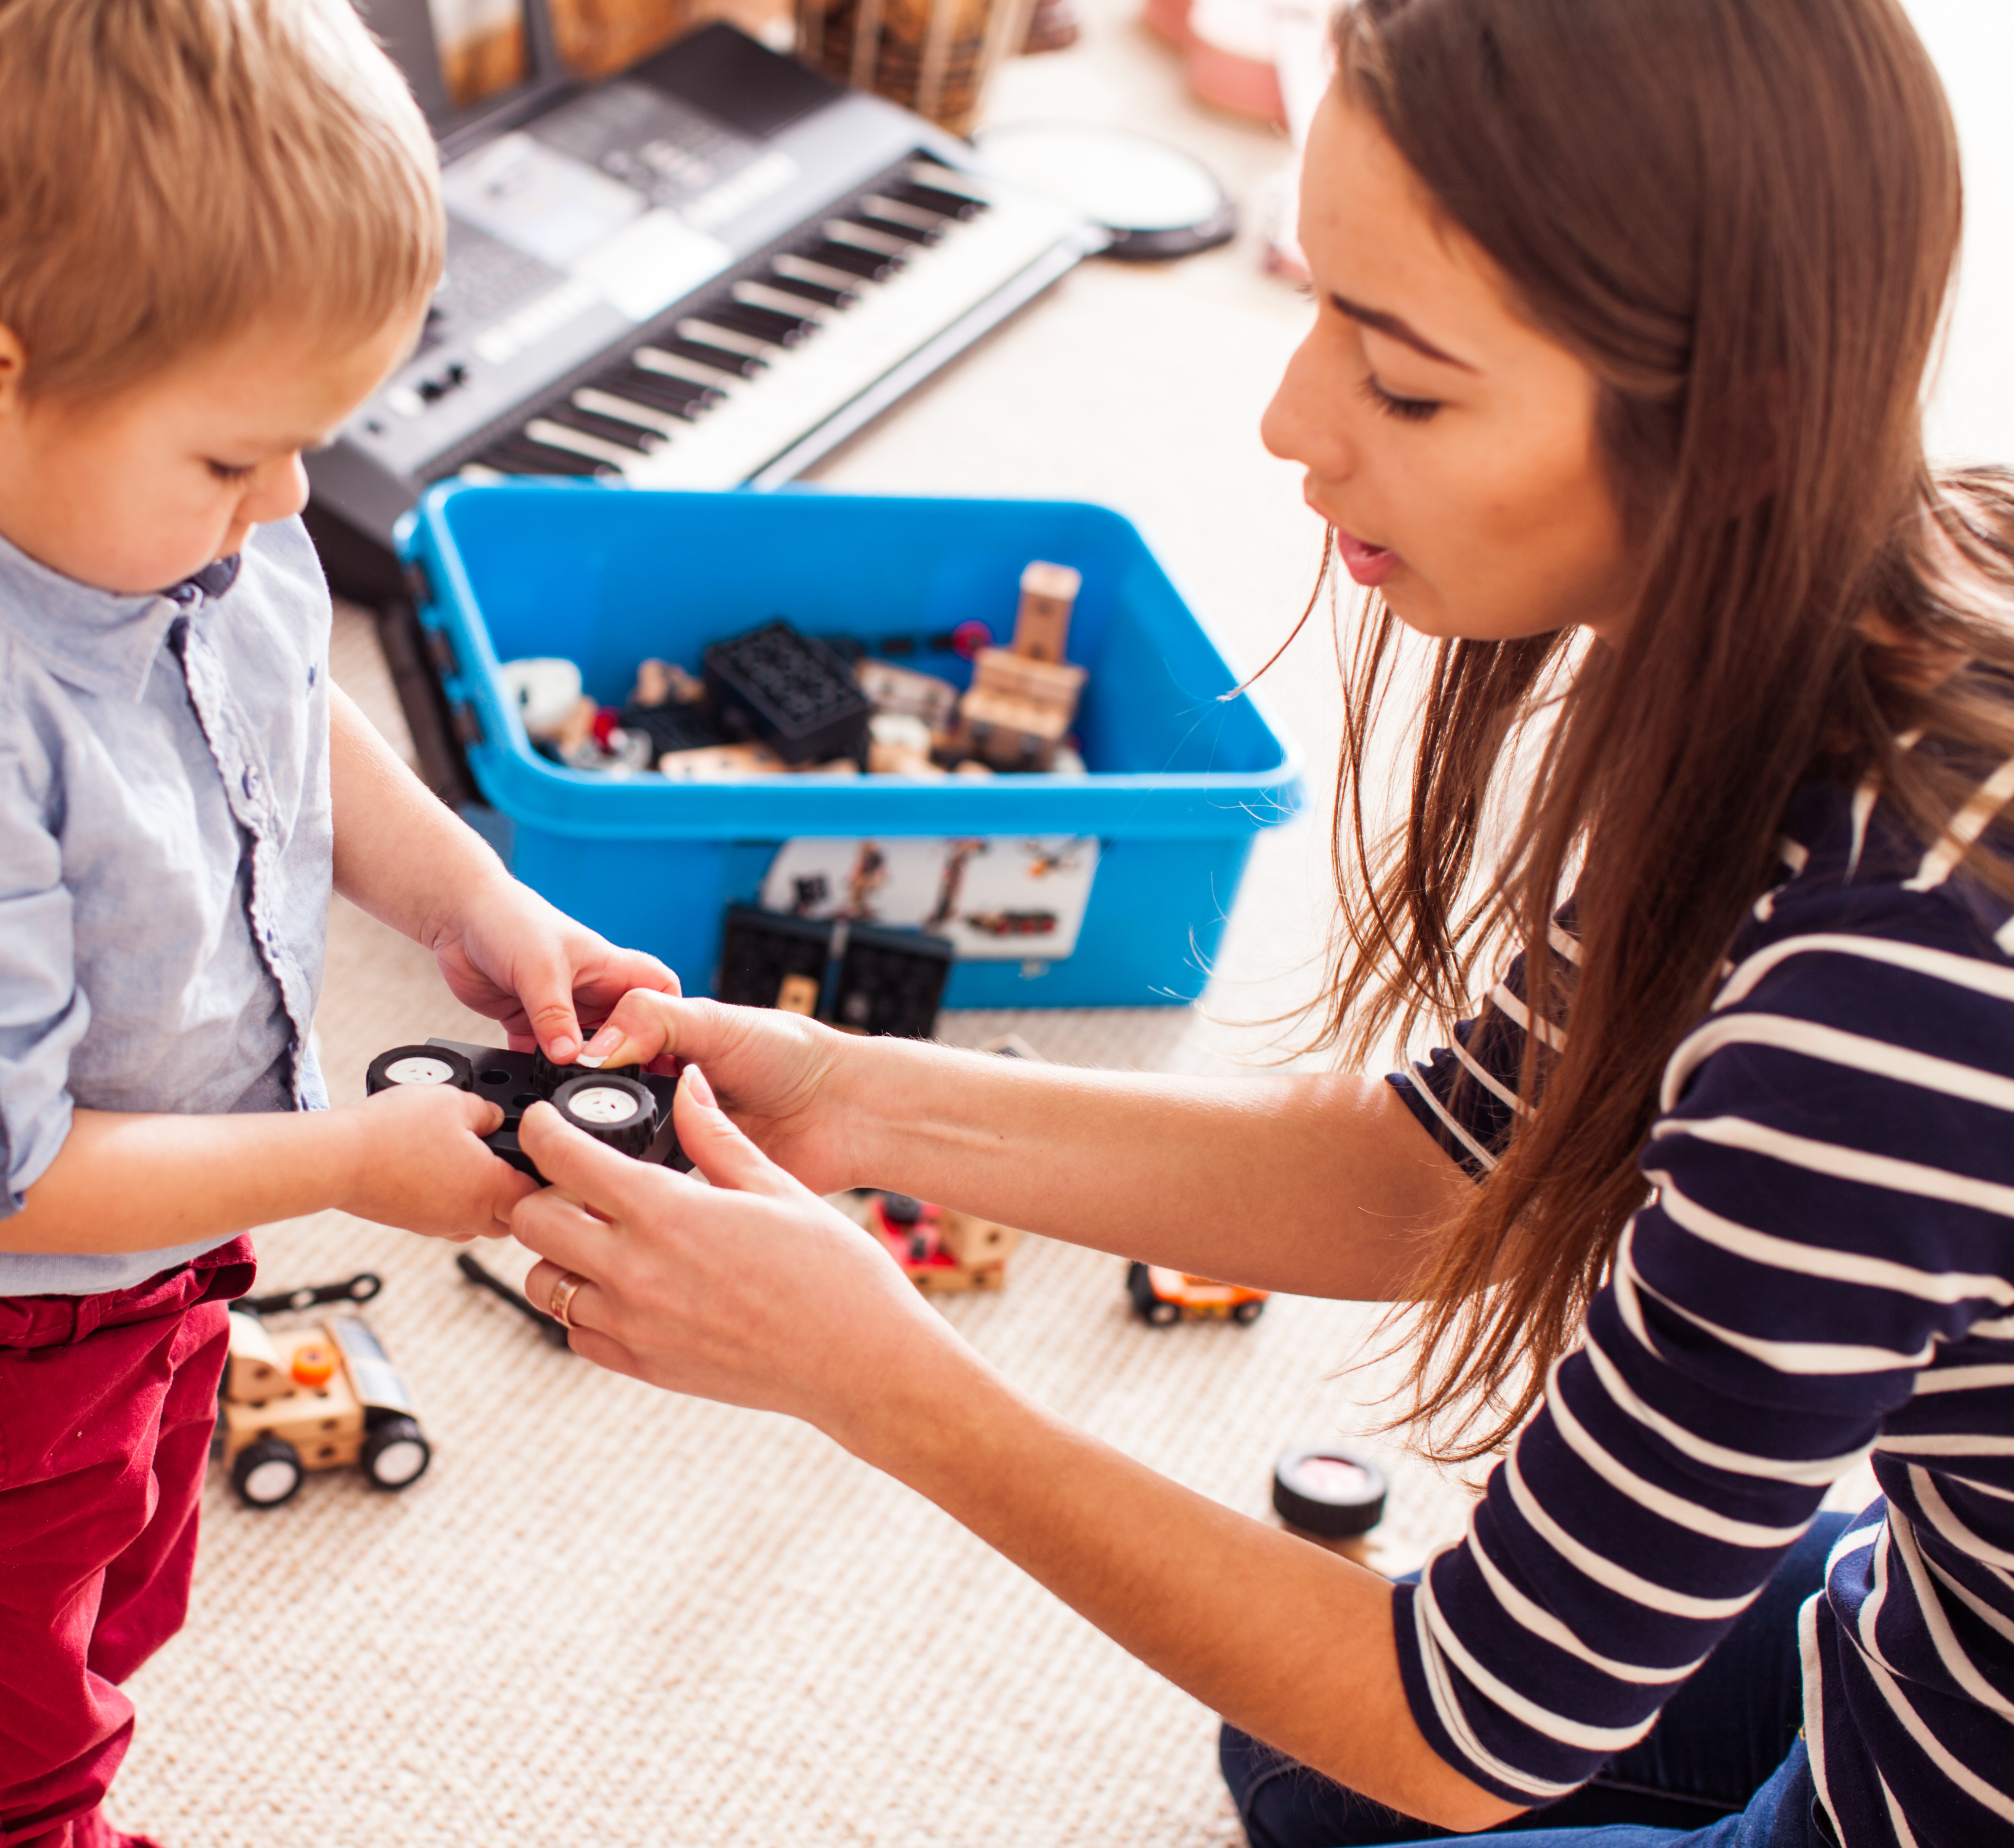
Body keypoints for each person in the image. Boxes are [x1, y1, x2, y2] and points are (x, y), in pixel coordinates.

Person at [500, 2, 2014, 1844]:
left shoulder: (1875, 994)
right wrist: (853, 1098)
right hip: (1932, 1608)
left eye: (1410, 384)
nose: (1291, 421)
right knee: (1294, 1760)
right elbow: (1447, 1171)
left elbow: (1471, 1727)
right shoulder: (1894, 592)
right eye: (1320, 306)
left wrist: (877, 1379)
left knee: (1363, 1742)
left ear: (1745, 424)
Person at [0, 2, 669, 1840]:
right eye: (240, 461)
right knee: (8, 1744)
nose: (286, 504)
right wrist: (346, 1164)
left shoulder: (150, 504)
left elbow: (285, 704)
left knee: (119, 1593)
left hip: (144, 1260)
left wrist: (472, 890)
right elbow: (0, 1182)